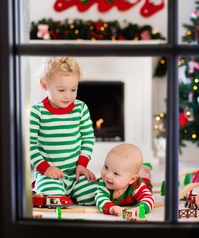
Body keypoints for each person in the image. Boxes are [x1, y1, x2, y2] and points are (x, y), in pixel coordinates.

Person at [30, 57, 97, 205]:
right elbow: (29, 146)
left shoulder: (81, 108)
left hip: (76, 173)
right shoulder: (37, 112)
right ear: (44, 84)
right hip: (49, 174)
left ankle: (71, 193)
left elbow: (88, 138)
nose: (68, 95)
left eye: (74, 89)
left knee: (93, 194)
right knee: (52, 194)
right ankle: (49, 193)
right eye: (61, 90)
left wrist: (82, 164)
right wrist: (45, 168)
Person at [95, 143, 155, 215]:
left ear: (132, 179)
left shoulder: (136, 185)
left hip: (140, 181)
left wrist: (140, 208)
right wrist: (111, 208)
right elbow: (100, 198)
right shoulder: (104, 183)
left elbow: (149, 198)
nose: (107, 175)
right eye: (106, 167)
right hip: (129, 178)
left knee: (147, 183)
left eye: (116, 173)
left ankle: (144, 169)